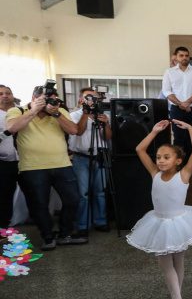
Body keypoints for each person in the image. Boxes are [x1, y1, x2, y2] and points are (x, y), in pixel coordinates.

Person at [127, 119, 192, 299]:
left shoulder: (183, 175)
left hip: (178, 222)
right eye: (158, 157)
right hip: (159, 222)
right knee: (167, 263)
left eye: (166, 157)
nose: (160, 160)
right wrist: (154, 132)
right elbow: (140, 150)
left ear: (178, 161)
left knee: (175, 262)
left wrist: (191, 127)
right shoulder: (155, 173)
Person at [4, 86, 81, 250]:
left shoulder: (59, 111)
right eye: (46, 99)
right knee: (39, 204)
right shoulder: (17, 111)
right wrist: (34, 110)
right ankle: (47, 237)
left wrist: (56, 113)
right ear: (34, 98)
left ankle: (65, 234)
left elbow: (74, 130)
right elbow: (12, 128)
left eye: (53, 99)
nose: (50, 103)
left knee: (73, 199)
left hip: (62, 165)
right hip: (33, 167)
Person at [70, 87, 113, 237]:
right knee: (84, 194)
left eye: (96, 98)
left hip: (100, 157)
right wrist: (85, 113)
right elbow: (78, 131)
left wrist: (106, 123)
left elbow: (107, 137)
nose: (93, 101)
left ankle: (100, 221)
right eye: (89, 98)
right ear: (81, 100)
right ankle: (83, 225)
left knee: (100, 192)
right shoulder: (74, 115)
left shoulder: (101, 115)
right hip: (81, 158)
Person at [162, 47, 192, 171]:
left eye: (186, 55)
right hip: (177, 109)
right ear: (176, 57)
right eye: (181, 55)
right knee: (178, 137)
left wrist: (187, 102)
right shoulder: (169, 72)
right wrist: (180, 104)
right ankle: (179, 163)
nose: (184, 58)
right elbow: (167, 91)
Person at [0, 84, 18, 229]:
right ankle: (4, 229)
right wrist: (6, 133)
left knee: (34, 195)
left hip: (26, 160)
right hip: (4, 162)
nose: (5, 96)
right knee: (5, 196)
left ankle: (44, 229)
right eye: (1, 94)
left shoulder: (22, 111)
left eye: (8, 93)